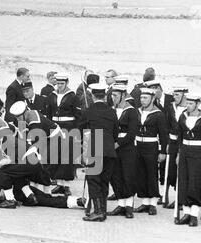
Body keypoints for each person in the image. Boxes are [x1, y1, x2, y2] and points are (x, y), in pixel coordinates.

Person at [79, 83, 118, 222]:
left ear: (93, 96)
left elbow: (81, 131)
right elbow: (115, 133)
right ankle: (103, 210)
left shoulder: (88, 111)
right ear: (105, 95)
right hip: (109, 150)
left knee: (94, 181)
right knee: (104, 181)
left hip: (95, 148)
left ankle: (98, 211)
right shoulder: (112, 112)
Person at [175, 93, 201, 227]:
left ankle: (194, 215)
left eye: (191, 103)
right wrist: (179, 153)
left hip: (197, 152)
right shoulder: (183, 116)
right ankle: (186, 212)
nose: (188, 106)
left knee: (195, 182)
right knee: (184, 181)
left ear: (197, 104)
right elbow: (179, 135)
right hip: (185, 150)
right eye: (187, 103)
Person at [0, 170, 85, 210]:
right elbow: (1, 174)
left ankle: (77, 202)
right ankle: (77, 201)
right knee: (47, 198)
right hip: (21, 186)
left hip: (18, 196)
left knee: (47, 201)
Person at [45, 73, 82, 197]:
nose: (59, 86)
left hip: (69, 128)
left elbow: (78, 116)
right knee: (56, 155)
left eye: (62, 84)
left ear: (67, 83)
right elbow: (49, 113)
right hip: (55, 128)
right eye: (58, 83)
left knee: (67, 156)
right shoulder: (52, 95)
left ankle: (67, 185)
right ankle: (59, 183)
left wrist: (77, 131)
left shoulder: (73, 96)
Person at [133, 88, 168, 216]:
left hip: (151, 146)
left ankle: (152, 203)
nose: (142, 100)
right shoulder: (137, 112)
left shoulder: (159, 114)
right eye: (141, 98)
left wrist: (163, 151)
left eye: (145, 98)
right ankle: (144, 202)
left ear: (152, 99)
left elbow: (163, 135)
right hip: (138, 146)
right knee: (140, 174)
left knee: (152, 174)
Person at [108, 84, 139, 218]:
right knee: (116, 175)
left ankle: (129, 206)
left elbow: (132, 133)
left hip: (127, 147)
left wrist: (118, 144)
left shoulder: (131, 111)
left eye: (115, 95)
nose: (113, 98)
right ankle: (121, 204)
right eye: (112, 95)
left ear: (123, 95)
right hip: (114, 146)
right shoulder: (112, 110)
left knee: (128, 175)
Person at [163, 86, 188, 208]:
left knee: (182, 172)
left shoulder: (190, 108)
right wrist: (168, 143)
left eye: (177, 95)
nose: (174, 97)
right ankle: (166, 196)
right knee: (170, 171)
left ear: (184, 95)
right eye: (174, 95)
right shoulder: (171, 107)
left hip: (183, 143)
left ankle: (181, 199)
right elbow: (167, 126)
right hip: (172, 142)